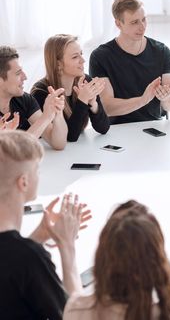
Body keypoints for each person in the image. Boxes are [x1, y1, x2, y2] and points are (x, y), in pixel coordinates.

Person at [0, 130, 90, 319]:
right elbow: (73, 315)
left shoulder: (21, 256)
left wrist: (39, 235)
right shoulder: (29, 259)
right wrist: (67, 245)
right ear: (23, 182)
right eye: (37, 170)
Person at [89, 0, 170, 124]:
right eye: (134, 22)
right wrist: (143, 100)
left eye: (144, 19)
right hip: (117, 129)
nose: (142, 27)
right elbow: (107, 107)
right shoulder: (100, 57)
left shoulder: (162, 51)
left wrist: (166, 98)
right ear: (118, 24)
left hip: (153, 125)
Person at [31, 34, 110, 142]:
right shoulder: (41, 92)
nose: (83, 60)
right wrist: (82, 100)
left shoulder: (85, 80)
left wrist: (93, 104)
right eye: (75, 57)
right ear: (58, 64)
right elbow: (69, 137)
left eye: (81, 54)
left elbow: (104, 128)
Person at [0, 46, 68, 150]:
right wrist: (45, 117)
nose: (25, 77)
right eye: (18, 73)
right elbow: (13, 152)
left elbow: (59, 143)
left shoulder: (24, 99)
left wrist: (56, 113)